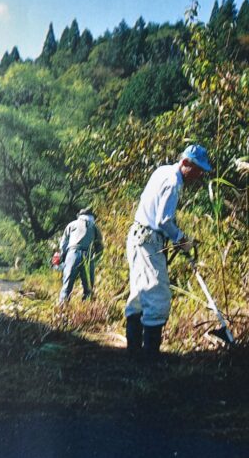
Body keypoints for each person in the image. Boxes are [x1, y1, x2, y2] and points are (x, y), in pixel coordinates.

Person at [124, 144, 213, 358]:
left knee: (139, 293)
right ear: (185, 163)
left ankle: (134, 353)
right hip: (148, 239)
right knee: (157, 295)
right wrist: (182, 240)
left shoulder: (162, 171)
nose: (199, 175)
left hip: (138, 235)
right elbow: (163, 220)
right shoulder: (173, 182)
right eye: (197, 169)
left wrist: (175, 237)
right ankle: (149, 358)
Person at [58, 207, 104, 303]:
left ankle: (62, 307)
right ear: (91, 217)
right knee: (88, 286)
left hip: (72, 253)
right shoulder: (94, 227)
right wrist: (96, 259)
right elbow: (100, 246)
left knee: (67, 283)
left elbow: (64, 242)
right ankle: (86, 308)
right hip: (88, 255)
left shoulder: (72, 224)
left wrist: (63, 255)